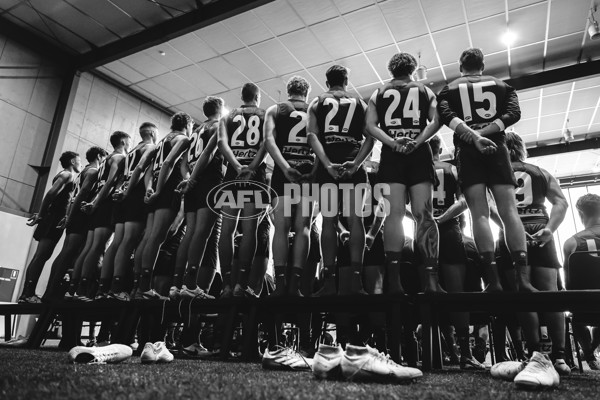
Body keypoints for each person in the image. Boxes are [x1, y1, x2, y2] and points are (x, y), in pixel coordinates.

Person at [436, 48, 534, 293]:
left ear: (461, 66)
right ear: (483, 64)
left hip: (468, 151)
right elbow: (514, 114)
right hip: (497, 147)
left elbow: (446, 115)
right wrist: (486, 132)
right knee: (509, 211)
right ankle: (523, 279)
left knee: (479, 214)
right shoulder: (502, 86)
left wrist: (473, 135)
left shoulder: (449, 88)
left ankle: (493, 281)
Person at [491, 132, 568, 389]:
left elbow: (491, 208)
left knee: (523, 294)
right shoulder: (540, 171)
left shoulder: (496, 172)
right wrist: (549, 229)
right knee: (550, 292)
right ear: (522, 149)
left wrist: (509, 225)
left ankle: (535, 354)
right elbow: (561, 202)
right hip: (539, 224)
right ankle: (559, 357)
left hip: (512, 231)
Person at [365, 52, 443, 294]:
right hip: (418, 154)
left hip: (392, 155)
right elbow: (437, 119)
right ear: (412, 69)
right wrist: (417, 141)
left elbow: (369, 126)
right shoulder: (424, 91)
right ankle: (430, 282)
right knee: (424, 214)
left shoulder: (379, 93)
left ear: (390, 70)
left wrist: (392, 142)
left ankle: (395, 282)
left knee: (394, 216)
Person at [307, 65, 374, 296]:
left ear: (327, 83)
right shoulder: (359, 103)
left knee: (328, 221)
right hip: (352, 166)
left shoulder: (317, 102)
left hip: (329, 169)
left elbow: (312, 135)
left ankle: (329, 283)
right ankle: (357, 282)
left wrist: (326, 164)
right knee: (356, 221)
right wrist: (355, 164)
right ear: (347, 81)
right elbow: (370, 137)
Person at [429, 135, 485, 369]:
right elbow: (464, 202)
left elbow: (403, 207)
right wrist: (442, 218)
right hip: (450, 230)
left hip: (425, 230)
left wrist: (428, 220)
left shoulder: (414, 170)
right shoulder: (452, 169)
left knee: (432, 291)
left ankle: (441, 352)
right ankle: (464, 354)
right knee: (456, 292)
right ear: (440, 149)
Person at [264, 76, 316, 297]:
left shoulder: (274, 110)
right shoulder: (315, 110)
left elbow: (269, 140)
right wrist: (314, 172)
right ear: (306, 93)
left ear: (288, 91)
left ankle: (280, 284)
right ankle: (295, 286)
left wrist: (285, 168)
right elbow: (320, 141)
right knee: (303, 227)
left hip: (283, 173)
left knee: (282, 228)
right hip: (307, 171)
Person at [171, 97, 225, 300]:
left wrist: (188, 178)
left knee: (190, 232)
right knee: (202, 232)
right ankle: (192, 284)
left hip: (192, 182)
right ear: (220, 109)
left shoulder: (194, 132)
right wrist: (193, 180)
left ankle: (178, 285)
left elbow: (183, 162)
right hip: (209, 180)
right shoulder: (220, 124)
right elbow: (209, 154)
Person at [217, 83, 268, 298]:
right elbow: (268, 142)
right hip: (255, 175)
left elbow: (221, 142)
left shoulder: (226, 118)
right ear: (257, 97)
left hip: (232, 176)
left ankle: (227, 283)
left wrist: (237, 167)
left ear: (242, 96)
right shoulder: (266, 114)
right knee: (249, 230)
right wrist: (252, 167)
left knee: (227, 229)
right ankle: (242, 284)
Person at [137, 112, 193, 299]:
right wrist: (160, 190)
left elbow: (148, 169)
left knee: (147, 238)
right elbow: (169, 162)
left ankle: (139, 286)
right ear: (187, 124)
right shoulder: (183, 138)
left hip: (156, 189)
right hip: (168, 189)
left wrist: (150, 188)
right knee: (157, 238)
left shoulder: (161, 141)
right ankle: (144, 288)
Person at [71, 131, 130, 301]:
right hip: (104, 205)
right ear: (124, 142)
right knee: (97, 248)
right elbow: (111, 182)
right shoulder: (118, 158)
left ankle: (75, 288)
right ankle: (83, 291)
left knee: (89, 247)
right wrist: (96, 203)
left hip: (97, 206)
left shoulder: (105, 159)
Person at [43, 147, 108, 301]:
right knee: (68, 253)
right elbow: (81, 193)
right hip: (79, 216)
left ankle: (51, 291)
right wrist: (70, 216)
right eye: (104, 158)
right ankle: (51, 292)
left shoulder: (82, 172)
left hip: (74, 214)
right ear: (99, 157)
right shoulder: (93, 171)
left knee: (66, 253)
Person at [18, 151, 81, 303]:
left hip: (52, 218)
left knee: (40, 257)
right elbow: (50, 194)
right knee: (41, 257)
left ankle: (27, 294)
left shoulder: (67, 175)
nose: (80, 164)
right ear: (72, 161)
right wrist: (41, 214)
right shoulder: (67, 175)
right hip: (53, 219)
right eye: (79, 161)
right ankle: (27, 294)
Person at [105, 122, 158, 301]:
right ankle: (119, 287)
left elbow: (119, 177)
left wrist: (121, 191)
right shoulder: (151, 147)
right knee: (129, 241)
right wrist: (134, 191)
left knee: (117, 242)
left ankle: (106, 287)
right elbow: (142, 170)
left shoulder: (130, 152)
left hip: (122, 196)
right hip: (135, 194)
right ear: (151, 132)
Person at [564, 193, 600, 370]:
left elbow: (568, 284)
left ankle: (588, 352)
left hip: (582, 307)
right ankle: (590, 351)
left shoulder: (571, 243)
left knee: (577, 315)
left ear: (580, 214)